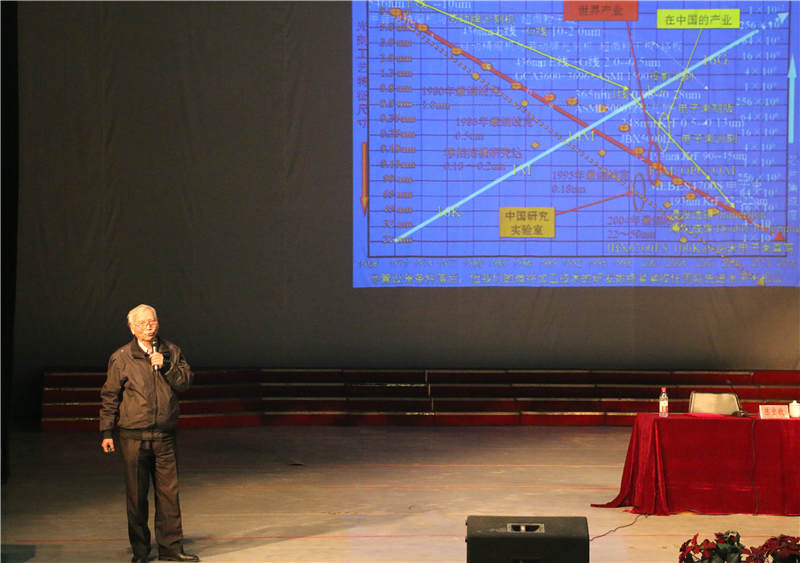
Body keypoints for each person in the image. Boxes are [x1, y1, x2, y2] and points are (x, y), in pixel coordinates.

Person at [100, 304, 200, 563]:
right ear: (132, 328)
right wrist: (107, 431)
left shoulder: (171, 351)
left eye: (152, 321)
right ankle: (141, 551)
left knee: (169, 495)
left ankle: (171, 548)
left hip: (164, 436)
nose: (148, 326)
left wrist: (165, 365)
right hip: (133, 437)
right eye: (142, 323)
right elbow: (110, 395)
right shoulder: (122, 357)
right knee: (136, 497)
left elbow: (185, 382)